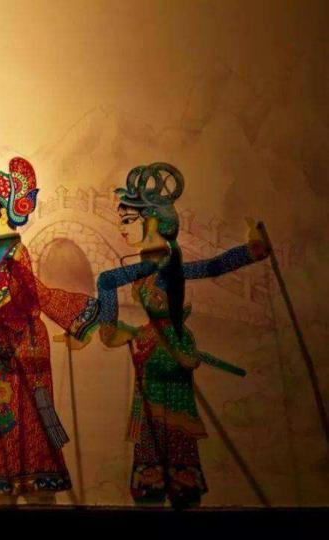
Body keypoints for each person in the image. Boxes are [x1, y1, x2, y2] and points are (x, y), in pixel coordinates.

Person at [96, 162, 270, 508]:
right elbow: (210, 267)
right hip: (161, 352)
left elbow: (107, 280)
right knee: (166, 428)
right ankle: (173, 482)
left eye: (127, 220)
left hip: (167, 352)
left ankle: (162, 483)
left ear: (151, 221)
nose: (120, 228)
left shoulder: (160, 264)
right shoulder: (160, 262)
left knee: (161, 429)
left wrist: (109, 328)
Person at [0, 157, 99, 504]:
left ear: (4, 211)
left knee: (26, 413)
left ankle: (27, 479)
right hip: (12, 338)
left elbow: (25, 300)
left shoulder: (11, 251)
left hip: (23, 340)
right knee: (9, 410)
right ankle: (9, 477)